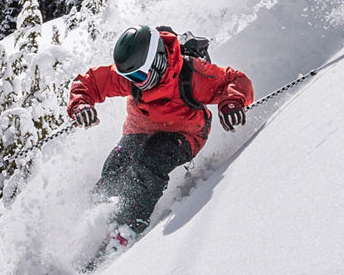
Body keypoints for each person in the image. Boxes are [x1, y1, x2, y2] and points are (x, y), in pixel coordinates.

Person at [67, 25, 254, 243]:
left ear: (157, 62)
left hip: (185, 134)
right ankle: (95, 222)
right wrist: (81, 105)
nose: (135, 81)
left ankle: (126, 229)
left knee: (151, 161)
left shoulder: (192, 74)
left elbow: (235, 80)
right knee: (117, 162)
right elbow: (89, 82)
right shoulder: (132, 78)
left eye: (138, 75)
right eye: (129, 76)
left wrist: (231, 102)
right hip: (140, 130)